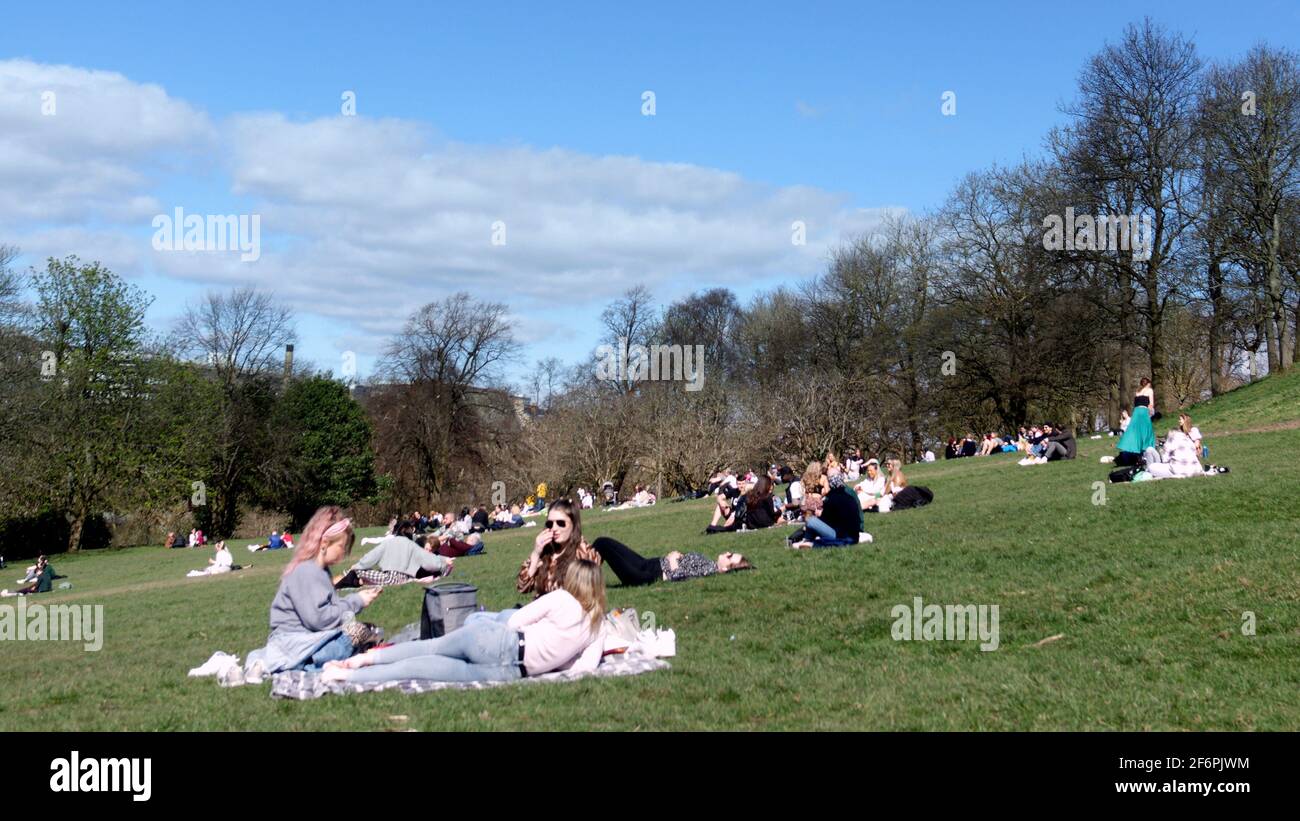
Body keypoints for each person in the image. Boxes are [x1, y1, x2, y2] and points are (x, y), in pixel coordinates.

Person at [321, 560, 606, 684]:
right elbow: (583, 668)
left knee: (429, 650)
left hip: (499, 643)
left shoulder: (560, 599)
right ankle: (346, 676)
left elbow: (516, 620)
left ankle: (361, 662)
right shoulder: (597, 625)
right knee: (424, 669)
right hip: (514, 673)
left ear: (572, 580)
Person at [245, 507, 381, 674]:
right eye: (342, 546)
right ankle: (299, 665)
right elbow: (319, 619)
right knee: (355, 634)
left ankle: (305, 664)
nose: (344, 553)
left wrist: (357, 601)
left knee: (366, 631)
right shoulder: (307, 571)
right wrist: (356, 601)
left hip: (304, 640)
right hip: (293, 643)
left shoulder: (320, 571)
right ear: (324, 543)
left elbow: (328, 611)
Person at [517, 499, 601, 597]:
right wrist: (536, 553)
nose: (554, 528)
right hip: (541, 609)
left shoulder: (583, 552)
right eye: (550, 524)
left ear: (573, 524)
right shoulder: (545, 553)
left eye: (561, 523)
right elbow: (522, 587)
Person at [592, 537, 754, 585]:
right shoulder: (709, 565)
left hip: (646, 575)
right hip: (646, 564)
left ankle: (579, 579)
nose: (727, 552)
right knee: (603, 542)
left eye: (730, 556)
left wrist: (672, 560)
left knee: (603, 545)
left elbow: (679, 577)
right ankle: (580, 576)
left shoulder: (710, 571)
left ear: (726, 569)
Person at [333, 530, 453, 589]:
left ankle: (339, 585)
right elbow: (434, 561)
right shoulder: (417, 550)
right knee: (359, 575)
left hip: (394, 578)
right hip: (394, 575)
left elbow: (371, 557)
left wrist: (444, 564)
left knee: (356, 571)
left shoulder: (425, 557)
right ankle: (349, 582)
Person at [791, 471, 862, 548]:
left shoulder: (831, 498)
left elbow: (826, 520)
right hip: (854, 534)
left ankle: (807, 540)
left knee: (811, 521)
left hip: (840, 535)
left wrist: (820, 514)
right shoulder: (849, 497)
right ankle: (806, 541)